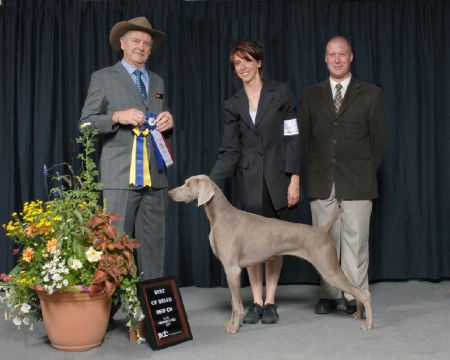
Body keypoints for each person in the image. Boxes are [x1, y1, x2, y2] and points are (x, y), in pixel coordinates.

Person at [209, 40, 301, 325]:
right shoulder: (232, 104)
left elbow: (293, 137)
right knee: (250, 244)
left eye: (247, 60)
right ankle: (256, 301)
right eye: (237, 63)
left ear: (259, 62)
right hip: (248, 180)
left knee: (274, 241)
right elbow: (230, 150)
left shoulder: (281, 93)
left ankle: (271, 300)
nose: (243, 67)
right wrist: (210, 183)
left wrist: (294, 179)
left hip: (278, 179)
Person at [79, 17, 174, 283]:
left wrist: (168, 123)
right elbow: (85, 124)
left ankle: (151, 316)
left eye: (147, 43)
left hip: (155, 178)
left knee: (155, 249)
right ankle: (108, 311)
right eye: (136, 41)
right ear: (122, 43)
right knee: (114, 248)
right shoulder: (103, 78)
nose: (142, 47)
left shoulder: (157, 81)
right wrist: (117, 116)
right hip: (119, 177)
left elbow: (156, 124)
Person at [299, 36, 389, 315]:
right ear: (325, 59)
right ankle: (328, 293)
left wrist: (362, 169)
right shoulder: (310, 95)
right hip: (321, 178)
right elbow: (305, 138)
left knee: (356, 242)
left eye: (342, 54)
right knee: (323, 242)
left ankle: (354, 296)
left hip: (358, 180)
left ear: (351, 57)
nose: (336, 60)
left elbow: (380, 141)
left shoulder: (371, 94)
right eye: (331, 55)